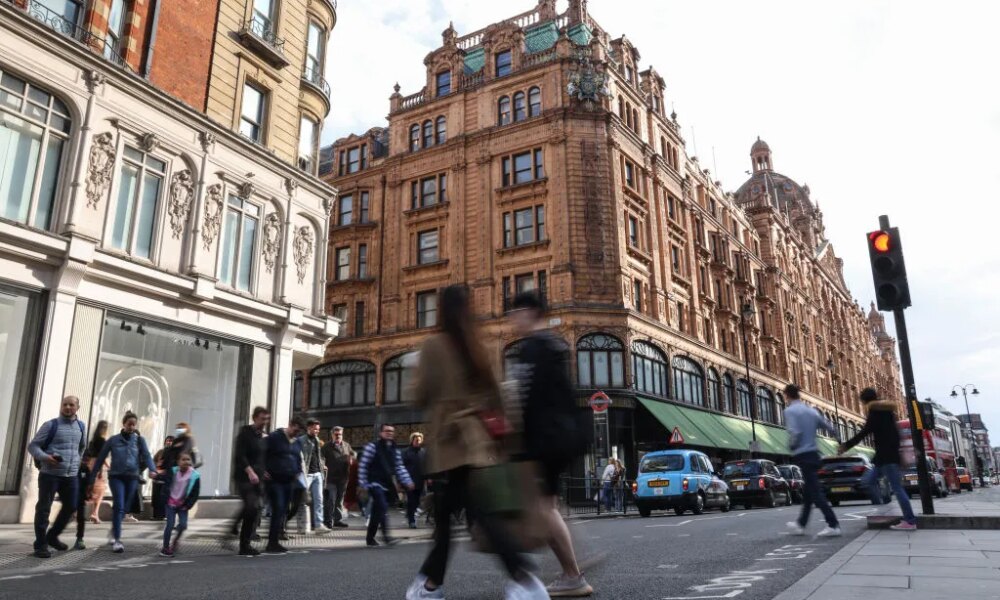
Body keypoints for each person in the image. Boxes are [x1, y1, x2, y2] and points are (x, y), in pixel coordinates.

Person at [406, 284, 546, 600]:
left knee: (467, 517)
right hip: (478, 443)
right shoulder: (480, 346)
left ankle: (522, 577)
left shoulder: (433, 346)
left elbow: (419, 396)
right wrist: (507, 440)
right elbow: (500, 395)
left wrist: (415, 370)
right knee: (463, 515)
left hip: (452, 443)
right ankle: (433, 585)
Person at [508, 291, 593, 597]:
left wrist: (520, 446)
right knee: (548, 506)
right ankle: (573, 566)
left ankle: (573, 573)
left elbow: (527, 400)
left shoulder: (533, 348)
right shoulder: (552, 344)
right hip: (561, 436)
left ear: (530, 312)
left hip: (547, 439)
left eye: (516, 311)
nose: (511, 318)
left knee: (544, 508)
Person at [839, 388, 917, 530]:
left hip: (887, 457)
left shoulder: (875, 413)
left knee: (897, 488)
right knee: (867, 481)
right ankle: (883, 509)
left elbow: (864, 432)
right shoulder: (887, 412)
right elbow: (896, 433)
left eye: (861, 401)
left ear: (865, 400)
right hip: (883, 457)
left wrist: (846, 446)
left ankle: (910, 521)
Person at [89, 411, 159, 553]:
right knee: (120, 505)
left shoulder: (139, 440)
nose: (132, 427)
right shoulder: (113, 440)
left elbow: (146, 456)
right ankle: (117, 540)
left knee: (124, 508)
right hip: (116, 477)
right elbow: (101, 457)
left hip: (132, 477)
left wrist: (153, 470)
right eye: (129, 424)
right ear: (124, 423)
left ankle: (114, 531)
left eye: (134, 424)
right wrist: (92, 476)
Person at [27, 396, 87, 559]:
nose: (67, 407)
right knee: (44, 509)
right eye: (65, 404)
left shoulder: (81, 426)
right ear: (61, 406)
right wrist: (47, 458)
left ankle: (52, 536)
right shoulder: (51, 425)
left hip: (71, 475)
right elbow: (33, 446)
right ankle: (40, 545)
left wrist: (75, 463)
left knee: (71, 506)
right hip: (50, 475)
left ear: (77, 407)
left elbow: (81, 448)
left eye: (71, 405)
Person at [783, 384, 841, 537]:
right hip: (814, 454)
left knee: (815, 492)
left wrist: (791, 445)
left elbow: (795, 432)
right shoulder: (810, 410)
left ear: (787, 395)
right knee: (809, 492)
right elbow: (828, 426)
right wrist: (838, 439)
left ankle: (833, 524)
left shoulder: (790, 411)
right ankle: (800, 524)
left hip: (804, 454)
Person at [358, 423, 414, 548]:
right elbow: (363, 465)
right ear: (380, 433)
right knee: (382, 506)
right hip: (373, 482)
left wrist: (407, 481)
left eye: (392, 431)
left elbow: (400, 467)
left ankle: (370, 538)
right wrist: (363, 484)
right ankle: (386, 537)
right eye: (387, 431)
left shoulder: (395, 450)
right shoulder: (372, 447)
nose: (389, 433)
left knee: (378, 510)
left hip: (386, 483)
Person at [263, 416, 305, 553]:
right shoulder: (275, 437)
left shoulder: (297, 442)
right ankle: (272, 542)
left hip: (289, 481)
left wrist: (298, 471)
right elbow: (261, 453)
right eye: (295, 430)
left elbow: (298, 458)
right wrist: (262, 470)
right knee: (278, 508)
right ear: (290, 425)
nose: (296, 434)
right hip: (274, 480)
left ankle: (274, 541)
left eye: (299, 432)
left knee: (283, 511)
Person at [233, 406, 270, 555]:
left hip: (259, 478)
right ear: (254, 418)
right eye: (262, 419)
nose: (264, 422)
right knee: (252, 507)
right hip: (244, 477)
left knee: (253, 510)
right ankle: (244, 544)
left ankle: (239, 533)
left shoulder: (263, 437)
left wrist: (264, 471)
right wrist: (250, 471)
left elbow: (261, 458)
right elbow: (240, 455)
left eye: (266, 419)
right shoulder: (245, 433)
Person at [74, 420, 109, 550]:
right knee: (99, 490)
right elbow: (103, 457)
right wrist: (107, 467)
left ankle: (80, 510)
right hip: (98, 466)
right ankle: (94, 513)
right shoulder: (103, 441)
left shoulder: (93, 441)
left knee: (91, 489)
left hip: (91, 464)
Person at [159, 452, 200, 557]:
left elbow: (195, 493)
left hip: (183, 505)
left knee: (183, 525)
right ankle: (165, 547)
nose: (186, 462)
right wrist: (164, 498)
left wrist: (188, 505)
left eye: (188, 460)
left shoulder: (195, 476)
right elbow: (165, 484)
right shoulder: (173, 471)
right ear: (178, 462)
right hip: (170, 503)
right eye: (183, 459)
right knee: (170, 524)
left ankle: (175, 541)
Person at [298, 419, 329, 534]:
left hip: (318, 474)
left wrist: (322, 465)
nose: (317, 431)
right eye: (315, 429)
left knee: (319, 499)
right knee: (303, 500)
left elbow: (318, 455)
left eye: (318, 429)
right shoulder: (301, 440)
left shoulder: (317, 440)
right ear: (309, 428)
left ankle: (318, 525)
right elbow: (300, 457)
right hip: (306, 475)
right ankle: (302, 526)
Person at [322, 426, 353, 528]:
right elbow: (321, 458)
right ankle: (328, 521)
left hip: (343, 478)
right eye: (336, 434)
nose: (338, 436)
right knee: (331, 500)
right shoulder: (326, 446)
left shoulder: (346, 445)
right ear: (332, 435)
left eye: (340, 434)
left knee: (339, 500)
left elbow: (353, 454)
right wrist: (323, 464)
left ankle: (337, 520)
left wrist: (352, 458)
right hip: (330, 478)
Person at [402, 432, 427, 529]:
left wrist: (428, 478)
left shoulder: (423, 452)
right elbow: (402, 466)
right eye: (416, 440)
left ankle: (410, 513)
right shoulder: (406, 452)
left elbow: (426, 465)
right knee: (411, 501)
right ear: (412, 441)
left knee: (417, 501)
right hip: (409, 480)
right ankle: (411, 521)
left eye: (420, 440)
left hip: (420, 480)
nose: (418, 441)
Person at [151, 436, 174, 520]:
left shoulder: (174, 453)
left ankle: (165, 515)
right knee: (156, 498)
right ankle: (156, 515)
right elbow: (153, 462)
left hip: (167, 479)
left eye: (171, 441)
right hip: (157, 478)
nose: (168, 442)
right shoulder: (160, 452)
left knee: (164, 498)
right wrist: (153, 470)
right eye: (167, 441)